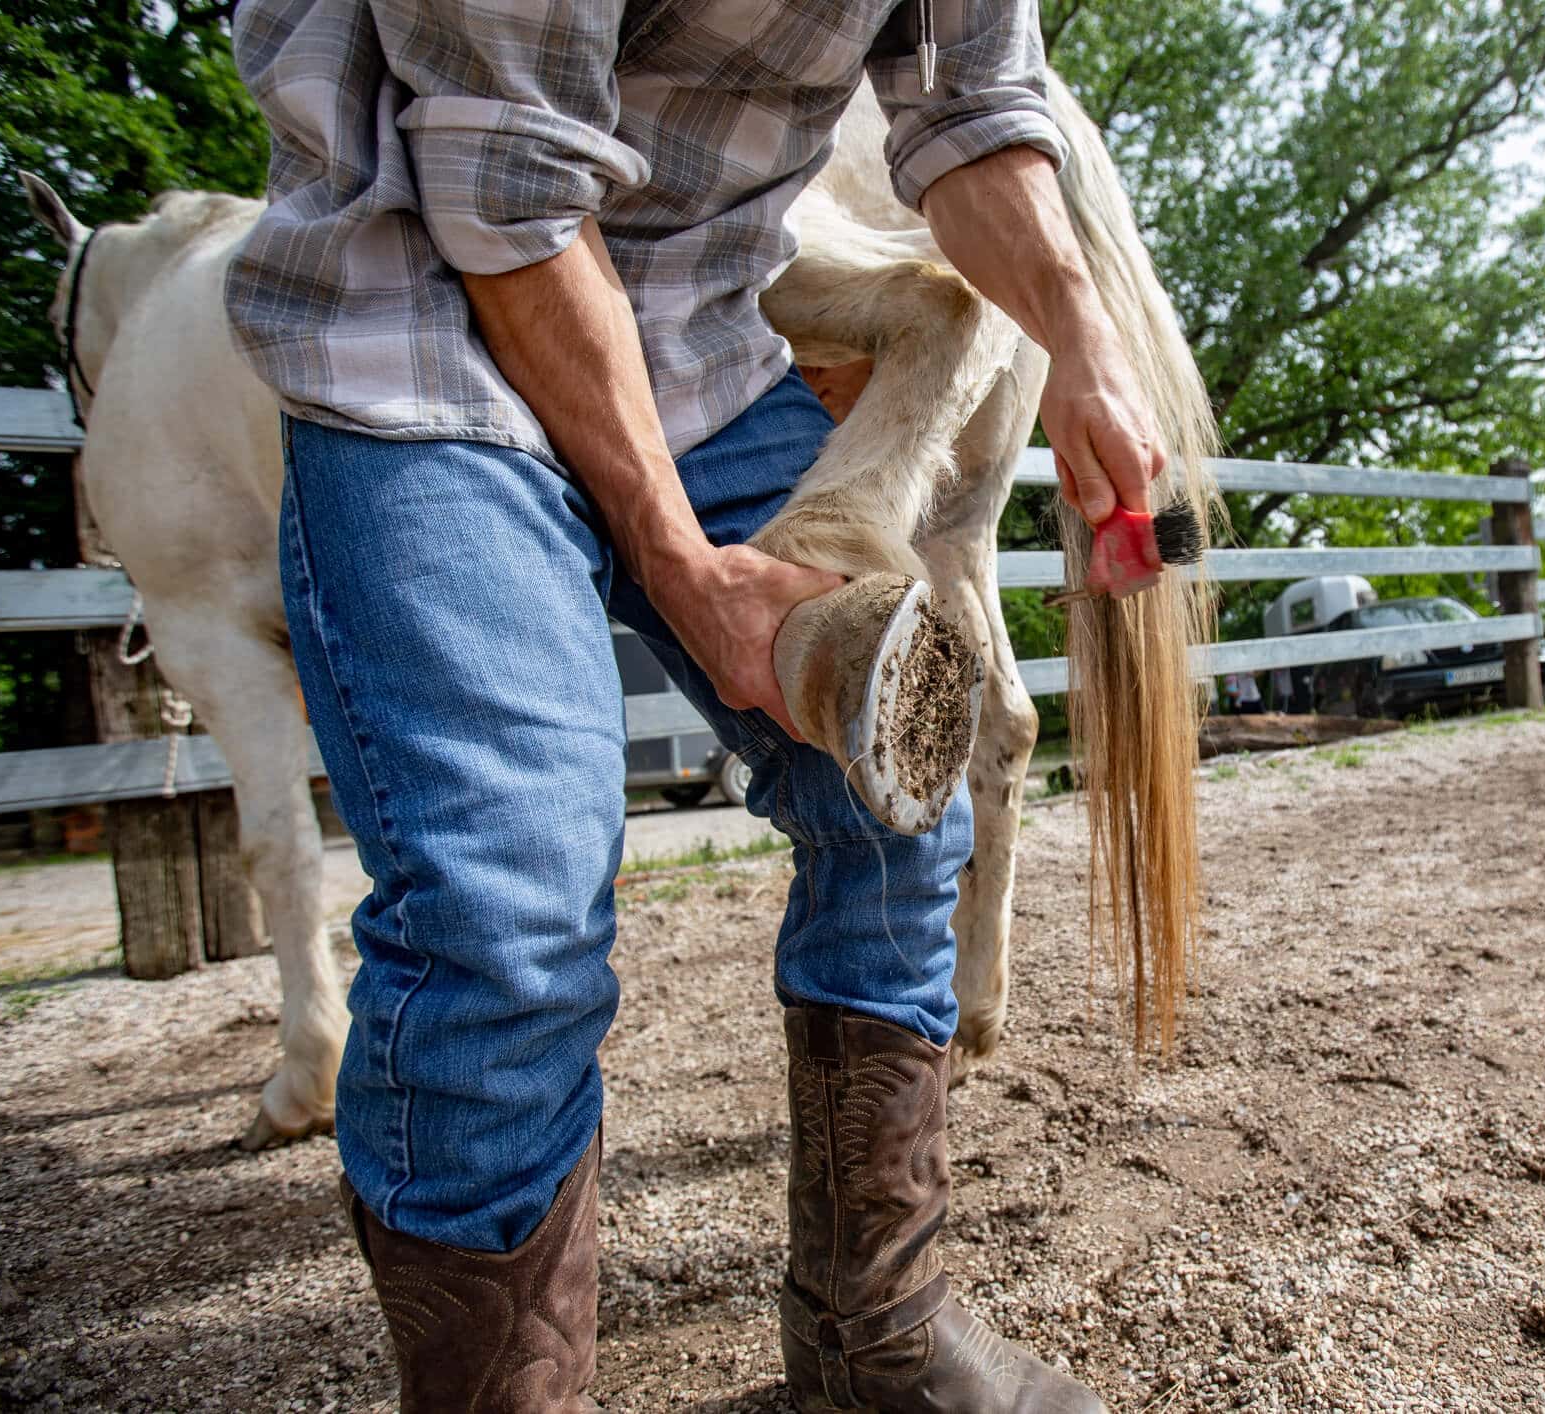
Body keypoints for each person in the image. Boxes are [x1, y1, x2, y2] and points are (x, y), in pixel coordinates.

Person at [224, 2, 1163, 1409]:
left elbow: (971, 111)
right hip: (419, 328)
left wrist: (1083, 336)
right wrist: (680, 562)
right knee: (509, 899)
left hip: (702, 347)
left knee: (895, 766)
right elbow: (508, 191)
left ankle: (874, 1331)